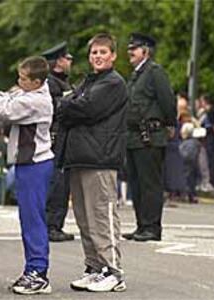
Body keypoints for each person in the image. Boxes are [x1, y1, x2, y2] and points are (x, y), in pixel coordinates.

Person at [0, 56, 54, 295]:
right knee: (28, 219)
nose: (19, 81)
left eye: (24, 79)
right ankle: (32, 269)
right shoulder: (28, 94)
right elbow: (5, 99)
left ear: (37, 82)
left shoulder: (37, 101)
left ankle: (38, 272)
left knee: (33, 220)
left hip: (34, 164)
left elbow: (3, 110)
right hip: (28, 164)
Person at [58, 33, 127, 292]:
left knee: (102, 216)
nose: (97, 57)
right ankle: (95, 267)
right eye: (94, 53)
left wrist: (68, 104)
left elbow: (85, 109)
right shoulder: (90, 81)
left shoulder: (113, 83)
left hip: (100, 158)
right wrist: (70, 104)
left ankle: (113, 271)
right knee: (84, 219)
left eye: (103, 52)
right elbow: (71, 107)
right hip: (80, 157)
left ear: (113, 55)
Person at [123, 33, 177, 242]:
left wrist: (170, 124)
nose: (130, 52)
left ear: (145, 51)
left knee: (150, 184)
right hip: (134, 137)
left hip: (150, 136)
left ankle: (152, 227)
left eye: (134, 49)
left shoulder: (155, 72)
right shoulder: (136, 75)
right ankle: (141, 225)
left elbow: (167, 100)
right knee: (136, 184)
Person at [42, 41, 75, 242]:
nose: (70, 61)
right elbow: (58, 110)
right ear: (58, 63)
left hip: (62, 139)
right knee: (57, 184)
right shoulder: (52, 84)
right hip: (56, 139)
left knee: (61, 184)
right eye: (67, 58)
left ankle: (55, 224)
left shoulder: (62, 82)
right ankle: (51, 225)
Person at [179, 122, 201, 204]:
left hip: (188, 165)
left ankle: (189, 195)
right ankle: (190, 195)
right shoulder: (193, 143)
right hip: (190, 165)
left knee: (189, 180)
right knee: (190, 180)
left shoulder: (190, 143)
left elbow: (187, 155)